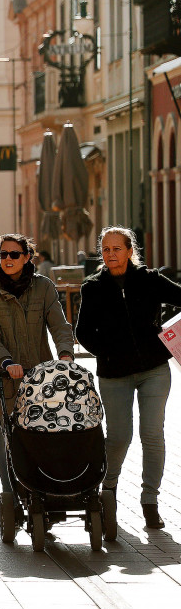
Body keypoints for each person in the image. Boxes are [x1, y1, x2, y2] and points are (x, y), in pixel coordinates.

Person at [75, 226, 181, 530]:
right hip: (115, 373)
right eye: (105, 250)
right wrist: (106, 352)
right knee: (119, 437)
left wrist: (171, 335)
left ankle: (150, 501)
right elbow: (82, 332)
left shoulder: (150, 280)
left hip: (154, 370)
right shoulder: (92, 287)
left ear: (129, 250)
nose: (111, 255)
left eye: (116, 249)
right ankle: (107, 492)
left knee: (152, 434)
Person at [0, 233, 75, 496]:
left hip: (39, 378)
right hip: (2, 378)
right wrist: (6, 362)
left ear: (27, 257)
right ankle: (9, 493)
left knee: (40, 435)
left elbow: (59, 324)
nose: (8, 259)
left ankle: (41, 492)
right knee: (5, 438)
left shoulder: (43, 287)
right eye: (3, 254)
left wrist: (65, 354)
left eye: (14, 254)